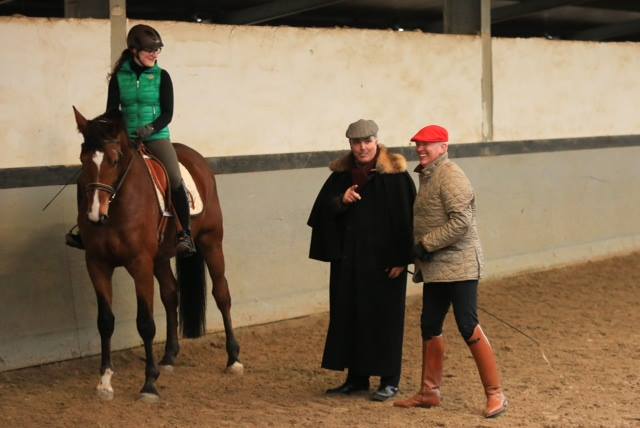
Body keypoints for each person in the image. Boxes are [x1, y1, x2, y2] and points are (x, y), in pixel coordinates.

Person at [393, 125, 507, 418]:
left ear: (444, 147)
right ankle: (429, 393)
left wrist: (425, 245)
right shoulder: (428, 175)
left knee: (467, 325)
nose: (421, 148)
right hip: (437, 267)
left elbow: (461, 223)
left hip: (461, 264)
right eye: (418, 144)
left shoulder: (451, 175)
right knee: (429, 324)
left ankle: (496, 394)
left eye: (428, 145)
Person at [307, 119, 416, 402]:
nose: (362, 147)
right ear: (350, 145)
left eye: (367, 141)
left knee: (384, 320)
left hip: (384, 265)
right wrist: (340, 201)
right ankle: (356, 379)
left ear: (376, 141)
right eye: (357, 143)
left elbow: (407, 220)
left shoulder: (395, 176)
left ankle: (389, 380)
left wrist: (402, 259)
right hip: (349, 264)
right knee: (350, 318)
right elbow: (320, 213)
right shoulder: (341, 176)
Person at [65, 24, 195, 257]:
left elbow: (168, 113)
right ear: (134, 51)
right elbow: (112, 110)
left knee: (175, 178)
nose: (155, 55)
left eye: (157, 51)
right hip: (125, 139)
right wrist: (104, 130)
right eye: (149, 51)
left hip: (155, 136)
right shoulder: (119, 78)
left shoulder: (162, 77)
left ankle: (184, 233)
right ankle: (84, 230)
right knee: (88, 176)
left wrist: (150, 128)